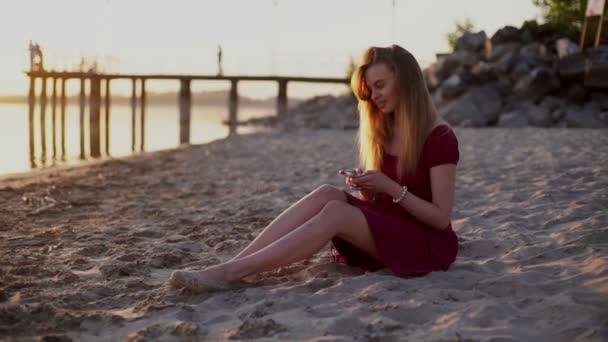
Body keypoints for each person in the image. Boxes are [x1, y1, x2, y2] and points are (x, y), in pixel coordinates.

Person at [169, 44, 460, 291]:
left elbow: (440, 219)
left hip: (425, 244)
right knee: (326, 194)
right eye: (370, 89)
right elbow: (381, 205)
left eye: (380, 85)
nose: (374, 96)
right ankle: (234, 265)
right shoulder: (387, 129)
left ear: (406, 82)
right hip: (391, 230)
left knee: (336, 212)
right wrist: (369, 188)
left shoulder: (440, 137)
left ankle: (230, 274)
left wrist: (391, 187)